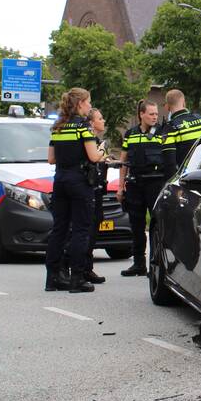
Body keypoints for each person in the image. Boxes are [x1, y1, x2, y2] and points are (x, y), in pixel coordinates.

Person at [45, 87, 103, 293]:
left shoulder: (57, 127)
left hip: (60, 179)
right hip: (79, 181)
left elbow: (51, 159)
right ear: (80, 104)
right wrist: (102, 149)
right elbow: (94, 157)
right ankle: (76, 278)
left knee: (59, 229)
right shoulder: (83, 127)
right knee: (80, 229)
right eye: (88, 102)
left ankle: (52, 277)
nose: (89, 106)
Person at [117, 100, 164, 277]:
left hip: (156, 185)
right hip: (135, 185)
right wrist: (120, 187)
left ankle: (156, 264)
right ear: (141, 114)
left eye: (156, 114)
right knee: (136, 226)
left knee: (156, 226)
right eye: (151, 114)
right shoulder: (130, 134)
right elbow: (124, 163)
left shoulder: (162, 133)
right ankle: (138, 264)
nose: (154, 117)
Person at [83, 107, 111, 284]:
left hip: (98, 190)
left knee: (94, 230)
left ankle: (88, 267)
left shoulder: (95, 140)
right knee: (88, 230)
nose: (103, 121)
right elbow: (93, 159)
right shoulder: (90, 141)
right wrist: (103, 151)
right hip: (89, 190)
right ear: (92, 122)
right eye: (100, 118)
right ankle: (83, 269)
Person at [161, 89, 201, 181]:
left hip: (187, 179)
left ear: (167, 107)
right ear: (184, 103)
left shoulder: (170, 127)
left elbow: (170, 162)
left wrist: (171, 185)